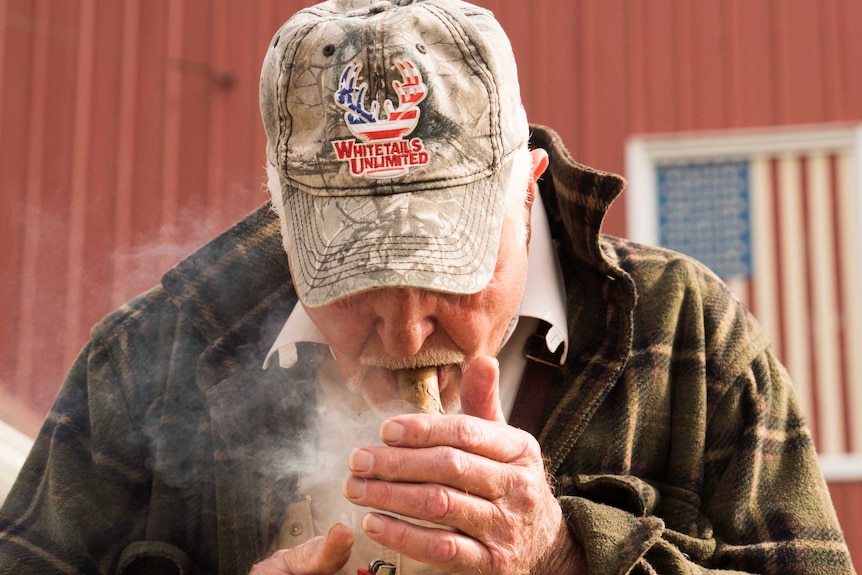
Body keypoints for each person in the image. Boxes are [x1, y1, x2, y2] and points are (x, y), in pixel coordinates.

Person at [0, 0, 856, 574]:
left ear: (526, 190)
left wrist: (564, 552)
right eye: (358, 284)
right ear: (287, 220)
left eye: (445, 272)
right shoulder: (161, 346)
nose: (405, 335)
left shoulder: (687, 332)